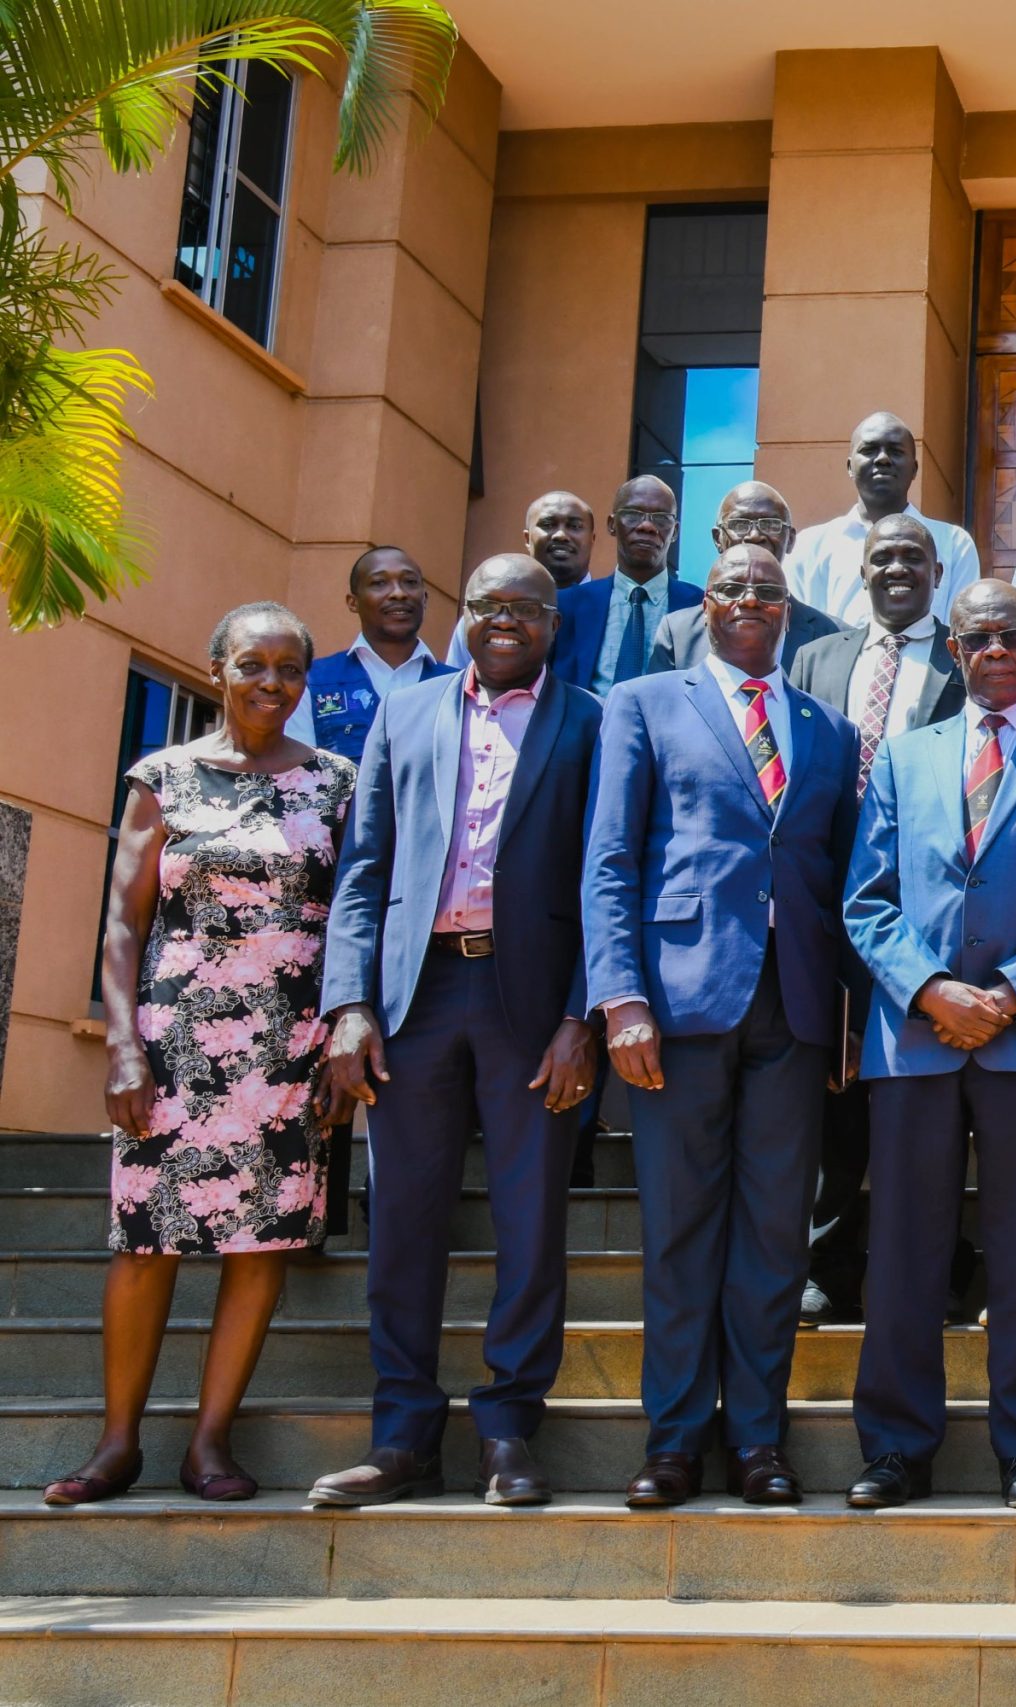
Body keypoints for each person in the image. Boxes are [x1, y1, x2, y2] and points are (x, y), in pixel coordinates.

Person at [307, 557, 604, 1509]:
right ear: (464, 616)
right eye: (488, 606)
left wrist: (578, 1017)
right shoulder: (409, 711)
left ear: (555, 624)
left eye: (526, 608)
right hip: (414, 999)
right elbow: (364, 867)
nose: (505, 620)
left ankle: (509, 1426)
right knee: (403, 1221)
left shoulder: (593, 721)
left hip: (530, 1005)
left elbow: (609, 880)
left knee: (529, 1224)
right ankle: (402, 1435)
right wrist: (349, 1002)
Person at [45, 604, 357, 1506]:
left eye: (290, 669)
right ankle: (117, 1443)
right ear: (215, 667)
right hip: (176, 1042)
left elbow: (356, 912)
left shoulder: (335, 781)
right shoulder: (165, 775)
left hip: (287, 1045)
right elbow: (122, 920)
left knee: (260, 1246)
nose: (272, 683)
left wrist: (342, 1029)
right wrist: (122, 1046)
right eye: (253, 664)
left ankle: (210, 1443)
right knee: (144, 1242)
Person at [583, 542, 863, 1510]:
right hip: (677, 1007)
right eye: (734, 587)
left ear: (790, 609)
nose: (752, 600)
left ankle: (756, 1442)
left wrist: (845, 1016)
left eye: (769, 591)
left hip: (794, 1012)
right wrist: (619, 1000)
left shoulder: (826, 730)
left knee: (776, 1239)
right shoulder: (645, 703)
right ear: (705, 602)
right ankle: (672, 1444)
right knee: (679, 1235)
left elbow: (838, 880)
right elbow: (611, 860)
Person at [842, 579, 1016, 1513]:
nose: (995, 649)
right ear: (953, 647)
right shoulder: (900, 757)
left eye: (1010, 634)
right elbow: (865, 899)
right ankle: (895, 1447)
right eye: (977, 636)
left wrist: (1006, 994)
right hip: (915, 1040)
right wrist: (929, 990)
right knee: (904, 1248)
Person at [786, 513, 968, 1327]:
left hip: (924, 906)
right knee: (833, 1091)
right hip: (828, 898)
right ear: (861, 571)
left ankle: (932, 1257)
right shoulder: (817, 655)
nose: (897, 568)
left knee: (923, 1092)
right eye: (881, 557)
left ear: (938, 569)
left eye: (913, 557)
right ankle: (827, 1257)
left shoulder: (965, 657)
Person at [786, 411, 982, 628]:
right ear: (850, 467)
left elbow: (962, 629)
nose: (882, 459)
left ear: (914, 469)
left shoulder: (954, 543)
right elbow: (800, 633)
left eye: (896, 451)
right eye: (869, 450)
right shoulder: (810, 546)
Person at [651, 482, 840, 671]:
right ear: (718, 539)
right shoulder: (678, 635)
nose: (755, 535)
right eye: (739, 524)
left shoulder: (831, 636)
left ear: (790, 540)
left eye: (770, 524)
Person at [287, 546, 451, 760]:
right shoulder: (312, 681)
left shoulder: (457, 685)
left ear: (425, 599)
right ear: (353, 602)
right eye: (379, 583)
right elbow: (298, 774)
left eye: (409, 582)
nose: (399, 593)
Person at [555, 475, 701, 696]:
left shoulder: (701, 607)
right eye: (633, 514)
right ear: (612, 525)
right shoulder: (567, 605)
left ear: (675, 532)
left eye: (661, 518)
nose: (647, 526)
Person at [443, 493, 599, 664]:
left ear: (592, 539)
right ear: (527, 538)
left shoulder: (610, 612)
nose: (560, 535)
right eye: (547, 524)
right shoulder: (483, 614)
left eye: (575, 526)